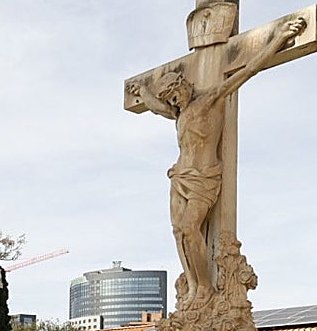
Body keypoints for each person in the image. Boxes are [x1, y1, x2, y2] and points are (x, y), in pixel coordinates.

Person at [128, 17, 305, 306]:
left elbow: (247, 70)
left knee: (190, 228)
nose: (174, 101)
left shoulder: (208, 100)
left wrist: (278, 39)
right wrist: (143, 92)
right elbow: (158, 107)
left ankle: (205, 288)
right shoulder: (179, 113)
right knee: (178, 232)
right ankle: (193, 288)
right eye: (170, 99)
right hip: (180, 176)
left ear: (183, 85)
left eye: (175, 94)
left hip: (204, 177)